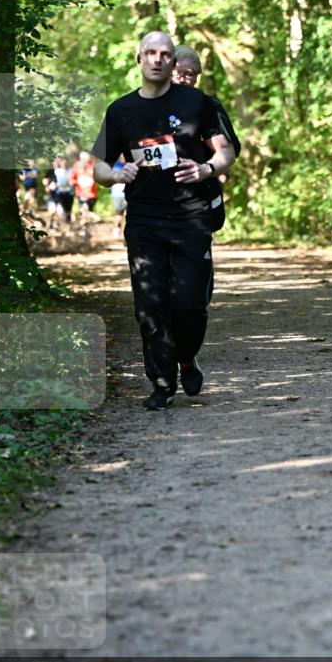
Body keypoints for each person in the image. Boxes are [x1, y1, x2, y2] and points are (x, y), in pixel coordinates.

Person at [91, 30, 235, 410]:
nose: (157, 59)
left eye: (165, 54)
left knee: (189, 304)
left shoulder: (197, 103)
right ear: (139, 59)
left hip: (191, 217)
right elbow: (99, 166)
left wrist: (206, 169)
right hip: (145, 221)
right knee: (151, 306)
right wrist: (115, 175)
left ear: (173, 62)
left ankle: (186, 357)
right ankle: (161, 381)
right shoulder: (121, 111)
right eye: (150, 53)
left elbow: (226, 151)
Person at [171, 45, 241, 181]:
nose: (181, 79)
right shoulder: (153, 103)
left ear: (196, 78)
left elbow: (229, 150)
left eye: (188, 74)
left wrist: (209, 168)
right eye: (177, 72)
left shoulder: (207, 105)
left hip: (202, 185)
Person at [70, 150, 98, 235]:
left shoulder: (93, 164)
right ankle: (84, 230)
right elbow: (71, 179)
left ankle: (87, 229)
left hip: (92, 195)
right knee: (84, 212)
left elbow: (99, 176)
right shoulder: (76, 165)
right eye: (82, 159)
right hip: (81, 194)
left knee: (87, 213)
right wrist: (77, 181)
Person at [110, 157, 127, 239]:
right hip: (117, 194)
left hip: (126, 194)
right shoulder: (116, 166)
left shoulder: (129, 164)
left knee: (128, 214)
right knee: (119, 214)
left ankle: (124, 232)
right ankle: (117, 228)